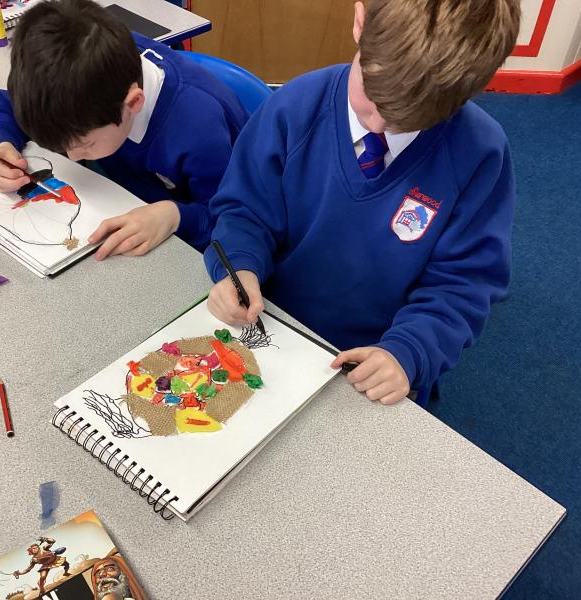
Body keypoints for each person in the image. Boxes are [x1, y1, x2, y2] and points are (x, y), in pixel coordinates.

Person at [204, 0, 521, 406]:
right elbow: (244, 210)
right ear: (360, 21)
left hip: (375, 362)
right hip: (270, 326)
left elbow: (463, 284)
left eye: (409, 119)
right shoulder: (295, 106)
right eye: (372, 95)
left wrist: (409, 352)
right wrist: (239, 266)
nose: (378, 124)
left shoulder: (479, 152)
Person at [0, 0, 248, 258]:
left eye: (85, 145)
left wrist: (175, 216)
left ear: (133, 103)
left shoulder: (198, 131)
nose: (73, 157)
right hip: (121, 205)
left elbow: (237, 221)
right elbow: (4, 105)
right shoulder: (84, 78)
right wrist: (3, 145)